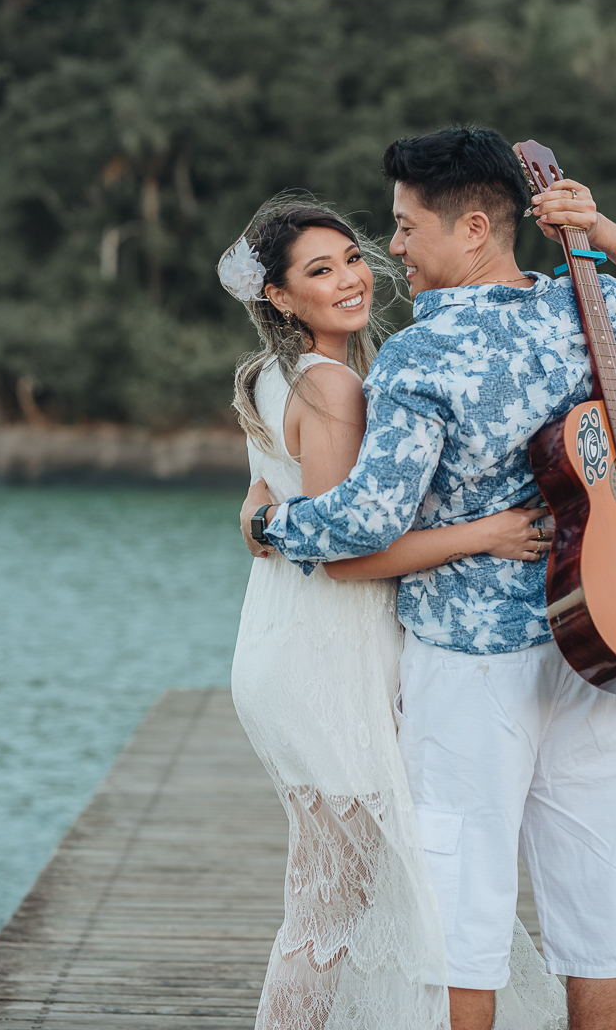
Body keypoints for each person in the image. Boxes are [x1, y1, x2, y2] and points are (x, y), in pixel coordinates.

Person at [241, 127, 616, 1030]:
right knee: (599, 897)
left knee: (458, 912)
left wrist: (271, 522)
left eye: (407, 227)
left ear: (477, 228)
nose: (396, 248)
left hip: (469, 662)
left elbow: (366, 523)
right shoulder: (581, 309)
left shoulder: (420, 357)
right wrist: (597, 225)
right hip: (592, 636)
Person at [221, 198, 567, 1030]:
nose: (349, 279)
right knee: (328, 910)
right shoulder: (335, 383)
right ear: (277, 296)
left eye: (350, 258)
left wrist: (261, 519)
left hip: (279, 636)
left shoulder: (273, 377)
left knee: (328, 894)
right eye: (318, 271)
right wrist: (482, 532)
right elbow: (349, 559)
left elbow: (280, 503)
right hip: (328, 648)